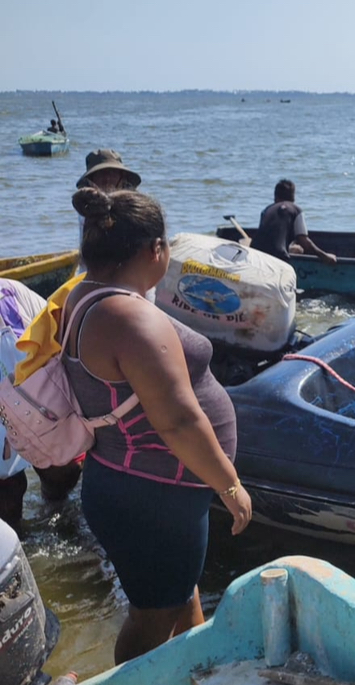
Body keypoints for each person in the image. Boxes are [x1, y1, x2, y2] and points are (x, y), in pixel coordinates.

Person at [65, 187, 252, 664]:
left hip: (136, 485)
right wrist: (230, 487)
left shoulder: (84, 294)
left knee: (176, 596)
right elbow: (178, 421)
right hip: (152, 495)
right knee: (151, 618)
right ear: (156, 249)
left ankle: (198, 671)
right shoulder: (128, 317)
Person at [0, 280, 65, 530]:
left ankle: (57, 508)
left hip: (36, 399)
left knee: (61, 469)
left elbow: (61, 354)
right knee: (7, 498)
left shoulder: (10, 297)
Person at [249, 180, 337, 265]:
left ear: (275, 197)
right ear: (293, 197)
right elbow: (304, 241)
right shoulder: (296, 210)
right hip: (278, 259)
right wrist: (325, 256)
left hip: (256, 256)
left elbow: (269, 238)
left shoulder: (266, 210)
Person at [77, 149, 141, 192]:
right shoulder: (86, 207)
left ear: (122, 176)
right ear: (91, 179)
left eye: (112, 173)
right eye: (101, 174)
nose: (107, 179)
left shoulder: (138, 206)